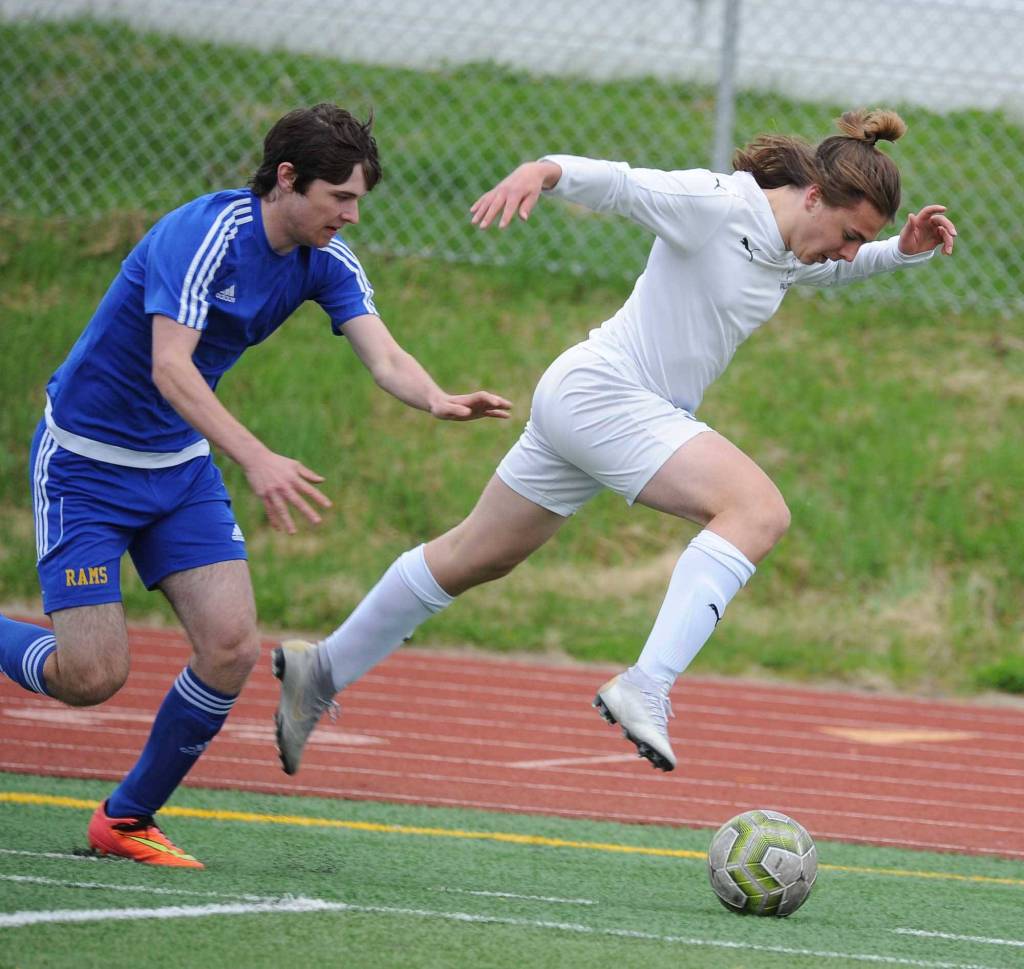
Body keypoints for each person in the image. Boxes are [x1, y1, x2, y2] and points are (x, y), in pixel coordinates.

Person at [272, 109, 956, 776]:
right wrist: (543, 172)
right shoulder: (719, 203)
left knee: (473, 556)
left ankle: (321, 669)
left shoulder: (789, 244)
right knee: (758, 511)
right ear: (812, 195)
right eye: (847, 232)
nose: (845, 250)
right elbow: (625, 185)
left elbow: (829, 268)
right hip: (605, 394)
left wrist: (899, 252)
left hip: (596, 404)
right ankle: (646, 685)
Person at [0, 103, 511, 868]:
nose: (351, 215)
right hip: (86, 467)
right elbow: (169, 366)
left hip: (176, 470)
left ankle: (126, 818)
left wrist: (435, 395)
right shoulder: (203, 236)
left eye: (359, 199)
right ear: (286, 180)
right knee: (91, 676)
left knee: (233, 646)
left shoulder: (325, 259)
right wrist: (257, 456)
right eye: (340, 197)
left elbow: (386, 355)